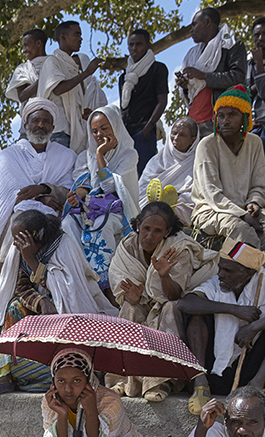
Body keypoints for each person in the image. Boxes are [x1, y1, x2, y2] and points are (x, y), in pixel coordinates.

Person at [0, 209, 115, 396]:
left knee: (62, 309)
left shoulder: (63, 245)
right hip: (41, 313)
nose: (15, 243)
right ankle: (4, 374)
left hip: (68, 314)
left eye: (19, 237)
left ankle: (68, 370)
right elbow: (20, 287)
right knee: (14, 305)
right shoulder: (19, 251)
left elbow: (69, 293)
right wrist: (40, 302)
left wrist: (31, 260)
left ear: (35, 235)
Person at [108, 201, 217, 401]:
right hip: (146, 302)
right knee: (129, 308)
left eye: (157, 231)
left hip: (177, 303)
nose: (150, 236)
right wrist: (134, 297)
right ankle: (124, 381)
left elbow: (175, 295)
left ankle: (161, 382)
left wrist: (164, 275)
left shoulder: (177, 248)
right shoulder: (127, 248)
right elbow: (122, 287)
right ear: (138, 224)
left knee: (167, 308)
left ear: (167, 231)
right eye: (147, 228)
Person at [0, 98, 76, 291]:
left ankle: (2, 272)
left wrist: (43, 189)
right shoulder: (9, 156)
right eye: (36, 121)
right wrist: (40, 198)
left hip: (53, 215)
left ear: (53, 126)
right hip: (17, 214)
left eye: (46, 121)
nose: (41, 125)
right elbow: (9, 195)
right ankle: (1, 271)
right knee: (20, 217)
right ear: (26, 125)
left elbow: (68, 191)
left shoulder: (66, 156)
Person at [179, 238, 265, 414]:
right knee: (196, 316)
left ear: (249, 273)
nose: (220, 274)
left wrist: (255, 327)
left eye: (227, 270)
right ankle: (200, 383)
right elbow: (185, 304)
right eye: (220, 268)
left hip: (250, 367)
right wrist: (235, 310)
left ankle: (257, 387)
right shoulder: (218, 284)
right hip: (214, 370)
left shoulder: (262, 284)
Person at [62, 103, 140, 294]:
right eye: (95, 130)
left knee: (99, 227)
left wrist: (100, 154)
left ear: (116, 126)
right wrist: (81, 191)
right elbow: (89, 185)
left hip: (120, 210)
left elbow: (110, 188)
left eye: (104, 128)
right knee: (67, 224)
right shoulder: (86, 156)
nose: (99, 134)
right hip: (94, 207)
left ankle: (104, 287)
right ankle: (81, 278)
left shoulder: (129, 154)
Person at [191, 85, 265, 248]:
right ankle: (252, 272)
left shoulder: (255, 143)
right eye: (221, 115)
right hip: (212, 211)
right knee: (243, 232)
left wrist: (254, 202)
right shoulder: (207, 145)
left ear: (245, 118)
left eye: (232, 115)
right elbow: (212, 194)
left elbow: (259, 184)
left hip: (246, 209)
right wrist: (242, 215)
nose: (225, 121)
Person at [37, 20, 106, 152]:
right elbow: (58, 89)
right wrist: (87, 73)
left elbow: (72, 100)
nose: (80, 39)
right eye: (76, 34)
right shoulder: (52, 61)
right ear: (63, 37)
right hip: (58, 131)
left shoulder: (73, 68)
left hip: (73, 132)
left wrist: (82, 112)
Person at [177, 8, 247, 138]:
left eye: (194, 25)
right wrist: (186, 86)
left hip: (218, 121)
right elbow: (196, 91)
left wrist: (203, 75)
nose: (191, 30)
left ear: (207, 22)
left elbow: (238, 77)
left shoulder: (231, 45)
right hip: (194, 121)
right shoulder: (193, 54)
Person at [118, 29, 169, 176]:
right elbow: (123, 108)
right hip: (126, 134)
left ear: (148, 45)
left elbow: (162, 101)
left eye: (139, 44)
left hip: (144, 132)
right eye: (131, 45)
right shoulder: (124, 77)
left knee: (145, 175)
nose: (134, 49)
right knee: (127, 176)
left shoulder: (158, 69)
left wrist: (149, 126)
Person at [138, 116, 199, 225]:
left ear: (193, 140)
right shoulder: (157, 161)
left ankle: (167, 205)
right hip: (151, 206)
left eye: (182, 135)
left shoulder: (197, 162)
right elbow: (142, 191)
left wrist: (177, 197)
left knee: (187, 204)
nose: (176, 138)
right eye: (174, 133)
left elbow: (198, 192)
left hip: (181, 205)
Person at [6, 28, 48, 112]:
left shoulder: (55, 63)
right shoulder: (23, 69)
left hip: (57, 117)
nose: (24, 50)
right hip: (32, 117)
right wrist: (44, 79)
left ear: (38, 43)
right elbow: (22, 96)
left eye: (26, 45)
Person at [248, 17, 265, 154]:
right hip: (251, 129)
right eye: (257, 35)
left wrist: (260, 64)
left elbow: (264, 92)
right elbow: (243, 93)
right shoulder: (248, 64)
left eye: (264, 34)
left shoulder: (256, 63)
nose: (261, 38)